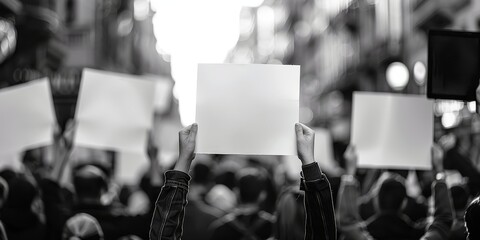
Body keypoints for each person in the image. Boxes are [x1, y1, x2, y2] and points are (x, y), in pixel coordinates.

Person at [148, 123, 337, 240]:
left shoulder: (218, 228)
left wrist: (183, 161)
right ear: (263, 194)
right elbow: (324, 234)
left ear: (237, 193)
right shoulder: (272, 226)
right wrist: (309, 164)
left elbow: (163, 233)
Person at [337, 144, 453, 240]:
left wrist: (349, 173)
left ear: (376, 202)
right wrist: (439, 171)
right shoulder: (418, 233)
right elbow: (443, 221)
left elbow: (348, 223)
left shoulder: (367, 233)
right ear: (404, 204)